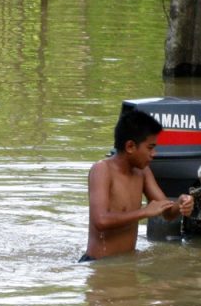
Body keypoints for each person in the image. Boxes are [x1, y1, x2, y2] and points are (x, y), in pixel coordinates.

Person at [83, 109, 194, 260]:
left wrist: (181, 204)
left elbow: (167, 212)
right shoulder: (102, 169)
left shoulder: (142, 172)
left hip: (127, 264)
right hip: (100, 265)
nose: (154, 154)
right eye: (150, 147)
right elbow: (100, 220)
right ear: (130, 147)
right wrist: (144, 212)